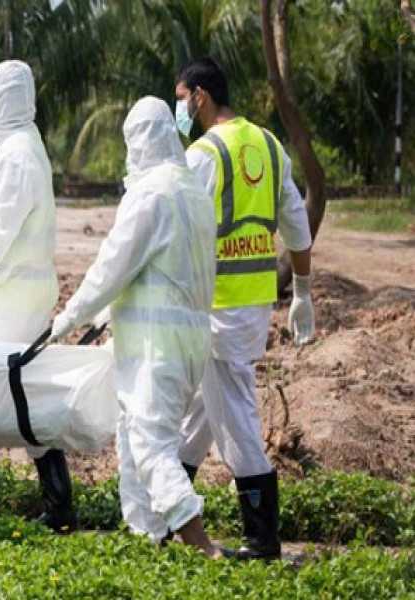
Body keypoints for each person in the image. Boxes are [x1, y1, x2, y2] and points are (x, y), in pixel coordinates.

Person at [49, 96, 221, 557]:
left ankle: (203, 546)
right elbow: (165, 267)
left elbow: (113, 265)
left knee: (150, 447)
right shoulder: (192, 190)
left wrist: (70, 316)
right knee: (133, 439)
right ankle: (146, 539)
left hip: (155, 345)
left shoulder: (151, 194)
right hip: (186, 338)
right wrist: (106, 314)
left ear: (140, 142)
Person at [173, 56, 315, 560]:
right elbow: (296, 226)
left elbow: (176, 229)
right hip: (253, 305)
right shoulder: (270, 146)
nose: (179, 110)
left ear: (200, 97)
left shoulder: (204, 155)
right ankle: (167, 509)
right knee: (201, 411)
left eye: (180, 99)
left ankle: (262, 539)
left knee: (234, 417)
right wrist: (302, 290)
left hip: (218, 310)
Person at [0, 60, 76, 534]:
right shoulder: (27, 147)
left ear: (1, 102)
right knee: (23, 397)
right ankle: (58, 499)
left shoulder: (15, 156)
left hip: (3, 297)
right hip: (22, 295)